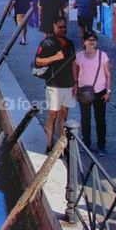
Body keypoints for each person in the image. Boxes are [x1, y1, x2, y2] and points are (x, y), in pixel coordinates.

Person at [34, 17, 76, 152]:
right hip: (53, 84)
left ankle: (61, 145)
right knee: (53, 114)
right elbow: (38, 61)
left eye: (65, 27)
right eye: (60, 27)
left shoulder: (70, 43)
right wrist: (55, 57)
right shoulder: (46, 43)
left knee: (64, 115)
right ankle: (49, 144)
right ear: (54, 27)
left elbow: (73, 63)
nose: (63, 30)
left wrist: (76, 82)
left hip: (68, 84)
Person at [73, 32, 112, 155]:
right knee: (85, 119)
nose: (91, 42)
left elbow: (108, 74)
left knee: (100, 119)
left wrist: (108, 91)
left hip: (100, 91)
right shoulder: (79, 56)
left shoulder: (103, 56)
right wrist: (75, 85)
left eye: (94, 40)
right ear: (84, 42)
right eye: (89, 40)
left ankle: (101, 145)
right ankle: (86, 144)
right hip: (84, 91)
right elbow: (76, 70)